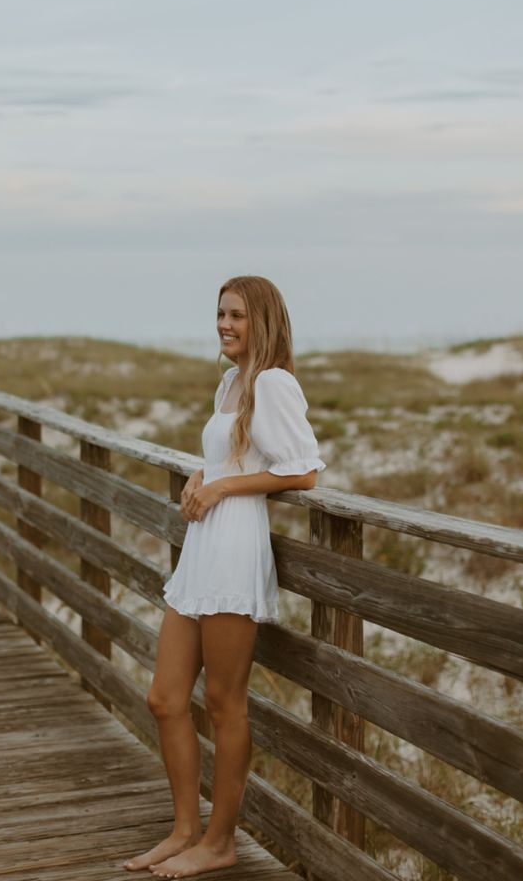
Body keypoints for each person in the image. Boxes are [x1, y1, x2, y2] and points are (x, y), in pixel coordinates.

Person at [122, 275, 326, 879]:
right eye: (220, 314)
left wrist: (224, 486)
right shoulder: (230, 383)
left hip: (236, 546)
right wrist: (198, 476)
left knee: (222, 701)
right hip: (204, 544)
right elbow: (232, 454)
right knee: (164, 697)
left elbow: (305, 471)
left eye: (237, 315)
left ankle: (219, 841)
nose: (224, 324)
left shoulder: (273, 383)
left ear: (262, 321)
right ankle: (185, 829)